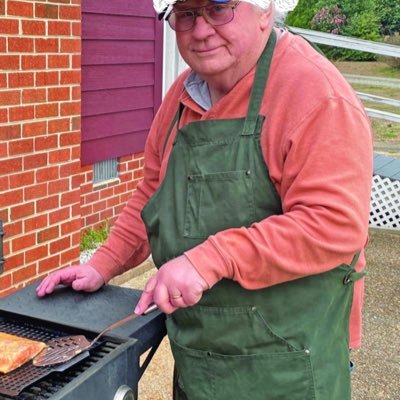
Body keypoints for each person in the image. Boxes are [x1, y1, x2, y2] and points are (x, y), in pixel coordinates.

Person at [37, 0, 373, 398]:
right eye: (186, 13)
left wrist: (209, 259)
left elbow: (333, 224)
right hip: (202, 357)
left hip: (288, 363)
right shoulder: (182, 95)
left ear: (266, 10)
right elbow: (152, 192)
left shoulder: (316, 95)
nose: (200, 30)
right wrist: (103, 264)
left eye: (218, 8)